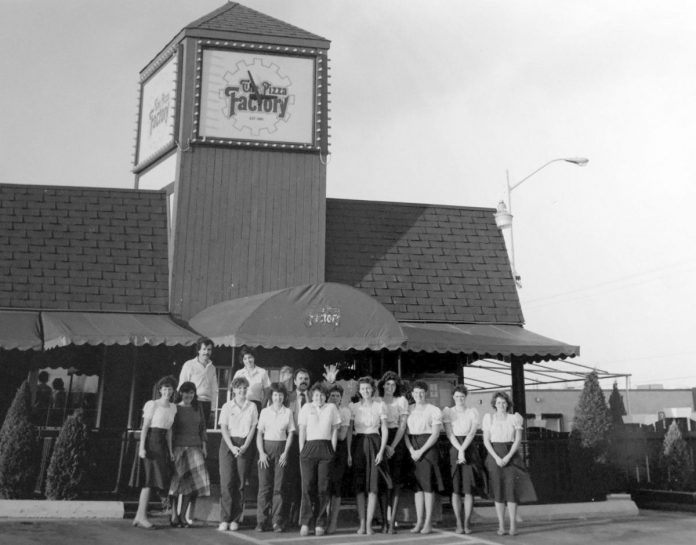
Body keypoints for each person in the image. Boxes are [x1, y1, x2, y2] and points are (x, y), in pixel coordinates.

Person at [482, 391, 537, 536]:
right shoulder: (489, 418)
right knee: (498, 492)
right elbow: (486, 440)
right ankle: (501, 525)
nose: (501, 405)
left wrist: (507, 457)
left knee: (511, 491)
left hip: (511, 456)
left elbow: (517, 440)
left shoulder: (515, 418)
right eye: (499, 402)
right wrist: (496, 457)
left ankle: (513, 525)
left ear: (508, 404)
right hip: (494, 456)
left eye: (504, 402)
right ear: (494, 404)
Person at [130, 376, 178, 529]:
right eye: (164, 388)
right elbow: (145, 428)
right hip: (151, 443)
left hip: (163, 445)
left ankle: (139, 515)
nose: (167, 391)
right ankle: (141, 516)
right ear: (159, 390)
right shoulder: (152, 405)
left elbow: (169, 431)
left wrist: (170, 451)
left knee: (156, 480)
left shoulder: (173, 407)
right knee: (149, 480)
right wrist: (142, 448)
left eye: (170, 388)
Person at [347, 376, 391, 535]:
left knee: (373, 486)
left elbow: (384, 429)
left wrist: (381, 451)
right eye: (362, 388)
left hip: (375, 443)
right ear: (359, 390)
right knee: (359, 486)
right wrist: (349, 453)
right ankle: (362, 523)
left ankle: (369, 525)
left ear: (372, 389)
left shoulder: (380, 406)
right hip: (358, 445)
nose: (365, 391)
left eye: (368, 388)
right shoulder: (353, 407)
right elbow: (349, 432)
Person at [297, 382, 340, 537]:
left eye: (322, 395)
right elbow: (302, 430)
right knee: (307, 486)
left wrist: (332, 450)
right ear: (312, 395)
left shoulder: (331, 408)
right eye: (316, 395)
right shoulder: (306, 408)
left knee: (323, 487)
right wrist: (302, 450)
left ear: (326, 396)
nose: (319, 397)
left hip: (326, 449)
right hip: (309, 448)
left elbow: (335, 429)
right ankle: (305, 523)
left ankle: (320, 523)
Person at [218, 376, 258, 532]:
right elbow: (223, 428)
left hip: (244, 445)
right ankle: (224, 519)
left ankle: (235, 519)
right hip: (228, 445)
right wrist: (232, 447)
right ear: (233, 390)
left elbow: (253, 428)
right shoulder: (227, 406)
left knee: (240, 483)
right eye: (239, 388)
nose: (242, 391)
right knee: (227, 482)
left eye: (244, 388)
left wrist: (246, 445)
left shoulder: (252, 406)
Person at [404, 380, 444, 535]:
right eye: (415, 393)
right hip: (413, 448)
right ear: (412, 394)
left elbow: (435, 434)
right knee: (417, 488)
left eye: (421, 392)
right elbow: (405, 432)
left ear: (425, 393)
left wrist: (421, 451)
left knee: (428, 487)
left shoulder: (433, 410)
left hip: (428, 449)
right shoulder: (409, 409)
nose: (418, 395)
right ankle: (419, 521)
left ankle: (428, 522)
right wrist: (411, 450)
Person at [169, 381, 210, 528]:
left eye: (192, 393)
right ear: (181, 393)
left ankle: (183, 516)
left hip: (195, 448)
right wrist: (171, 450)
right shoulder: (175, 408)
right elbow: (170, 430)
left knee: (191, 484)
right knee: (176, 483)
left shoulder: (197, 407)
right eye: (186, 392)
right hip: (179, 448)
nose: (189, 395)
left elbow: (203, 428)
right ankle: (174, 515)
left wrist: (204, 447)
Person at [256, 382, 295, 533]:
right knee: (264, 487)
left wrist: (285, 452)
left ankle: (276, 521)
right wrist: (261, 453)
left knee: (279, 488)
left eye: (280, 395)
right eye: (275, 395)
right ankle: (261, 521)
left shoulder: (288, 412)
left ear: (284, 396)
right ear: (271, 396)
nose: (278, 397)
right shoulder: (265, 412)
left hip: (281, 449)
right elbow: (259, 433)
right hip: (266, 449)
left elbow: (291, 433)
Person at [443, 385, 480, 534]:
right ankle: (458, 523)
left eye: (462, 396)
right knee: (456, 489)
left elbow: (471, 433)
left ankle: (467, 524)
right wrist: (459, 450)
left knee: (468, 489)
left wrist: (463, 450)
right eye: (457, 396)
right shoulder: (448, 412)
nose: (459, 399)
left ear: (466, 397)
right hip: (455, 447)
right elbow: (449, 433)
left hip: (468, 448)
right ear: (453, 397)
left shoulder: (472, 412)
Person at [376, 371, 409, 534]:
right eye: (387, 384)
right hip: (381, 439)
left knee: (395, 482)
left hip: (396, 441)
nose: (390, 387)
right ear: (383, 385)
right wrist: (384, 446)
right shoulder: (378, 401)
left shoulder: (401, 401)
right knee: (383, 482)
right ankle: (383, 521)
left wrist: (393, 446)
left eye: (393, 384)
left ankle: (392, 521)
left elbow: (402, 426)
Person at [284, 367, 311, 527]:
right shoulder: (288, 397)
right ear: (294, 381)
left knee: (305, 480)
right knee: (290, 479)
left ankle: (303, 517)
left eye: (306, 378)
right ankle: (288, 516)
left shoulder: (314, 398)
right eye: (300, 378)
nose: (303, 381)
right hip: (292, 441)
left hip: (309, 442)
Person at [326, 383, 351, 534]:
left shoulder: (345, 411)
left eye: (337, 396)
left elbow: (342, 435)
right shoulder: (323, 408)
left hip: (339, 450)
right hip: (323, 448)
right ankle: (324, 519)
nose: (334, 398)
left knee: (336, 487)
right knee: (324, 486)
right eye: (332, 395)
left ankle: (333, 522)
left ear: (341, 398)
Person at [178, 337, 218, 427]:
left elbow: (214, 389)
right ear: (198, 350)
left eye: (209, 349)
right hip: (192, 402)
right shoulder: (189, 365)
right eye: (204, 349)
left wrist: (213, 409)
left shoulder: (212, 368)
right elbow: (182, 385)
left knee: (202, 431)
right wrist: (182, 404)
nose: (206, 352)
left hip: (206, 404)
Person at [232, 346, 271, 413]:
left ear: (254, 358)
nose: (248, 360)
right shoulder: (239, 373)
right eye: (245, 358)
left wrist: (262, 407)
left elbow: (267, 392)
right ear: (242, 360)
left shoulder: (262, 372)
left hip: (257, 405)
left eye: (250, 357)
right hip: (241, 405)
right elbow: (234, 391)